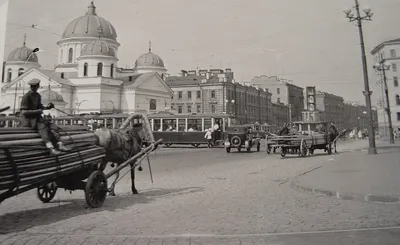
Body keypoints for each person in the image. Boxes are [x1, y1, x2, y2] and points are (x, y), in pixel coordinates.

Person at [20, 78, 70, 155]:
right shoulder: (26, 97)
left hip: (37, 119)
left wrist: (48, 107)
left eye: (35, 86)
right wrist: (38, 111)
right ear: (31, 87)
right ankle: (51, 148)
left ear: (38, 86)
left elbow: (40, 107)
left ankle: (60, 144)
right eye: (32, 87)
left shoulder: (37, 96)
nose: (34, 88)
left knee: (53, 126)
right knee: (43, 127)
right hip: (29, 120)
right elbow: (24, 112)